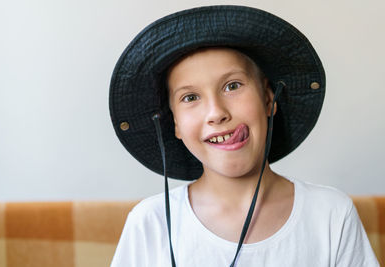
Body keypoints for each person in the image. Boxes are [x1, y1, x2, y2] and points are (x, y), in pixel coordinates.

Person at [109, 5, 379, 267]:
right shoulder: (150, 223)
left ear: (269, 98)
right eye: (190, 97)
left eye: (232, 86)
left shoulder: (330, 214)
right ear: (174, 123)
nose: (216, 113)